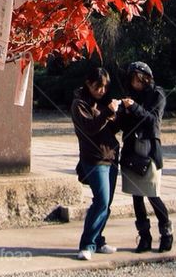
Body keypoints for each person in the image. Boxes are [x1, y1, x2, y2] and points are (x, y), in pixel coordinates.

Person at [118, 61, 173, 252]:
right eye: (132, 80)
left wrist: (134, 107)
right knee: (136, 197)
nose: (135, 83)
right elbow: (124, 125)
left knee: (152, 194)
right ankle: (144, 237)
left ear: (145, 78)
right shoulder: (131, 95)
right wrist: (120, 112)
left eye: (137, 79)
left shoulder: (157, 94)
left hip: (149, 149)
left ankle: (166, 233)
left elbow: (153, 121)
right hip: (131, 150)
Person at [70, 65, 122, 261]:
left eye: (104, 87)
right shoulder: (79, 104)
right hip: (93, 158)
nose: (101, 90)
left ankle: (98, 240)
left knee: (106, 204)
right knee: (101, 201)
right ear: (88, 84)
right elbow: (90, 128)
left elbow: (111, 129)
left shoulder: (104, 102)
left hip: (111, 155)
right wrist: (107, 113)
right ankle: (87, 244)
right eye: (97, 87)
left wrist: (119, 114)